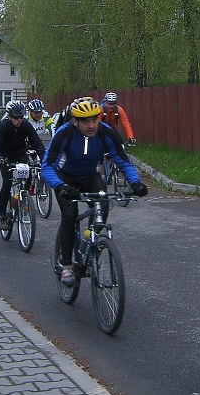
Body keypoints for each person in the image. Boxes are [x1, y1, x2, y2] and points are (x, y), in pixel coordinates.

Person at [41, 97, 148, 287]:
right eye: (85, 121)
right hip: (66, 178)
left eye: (95, 119)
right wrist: (60, 186)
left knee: (103, 205)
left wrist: (135, 182)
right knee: (69, 214)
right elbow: (47, 167)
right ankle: (67, 265)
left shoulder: (105, 133)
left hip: (90, 176)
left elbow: (122, 160)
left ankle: (91, 244)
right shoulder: (64, 134)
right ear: (75, 121)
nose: (91, 125)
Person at [0, 101, 47, 231]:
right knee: (7, 182)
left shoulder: (26, 125)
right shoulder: (3, 126)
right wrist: (0, 159)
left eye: (21, 117)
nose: (19, 120)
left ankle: (23, 198)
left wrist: (44, 160)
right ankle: (2, 216)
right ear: (9, 116)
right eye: (16, 117)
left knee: (28, 175)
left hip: (20, 154)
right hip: (5, 157)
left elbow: (38, 144)